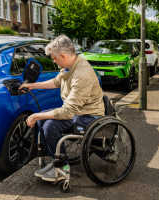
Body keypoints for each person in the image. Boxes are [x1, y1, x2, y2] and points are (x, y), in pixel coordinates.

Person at [19, 35, 105, 181]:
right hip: (77, 112)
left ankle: (62, 167)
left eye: (54, 58)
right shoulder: (68, 66)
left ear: (63, 56)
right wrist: (32, 86)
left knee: (49, 126)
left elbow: (67, 112)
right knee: (42, 121)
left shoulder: (81, 74)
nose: (53, 61)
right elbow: (55, 82)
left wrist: (36, 116)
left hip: (89, 116)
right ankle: (55, 160)